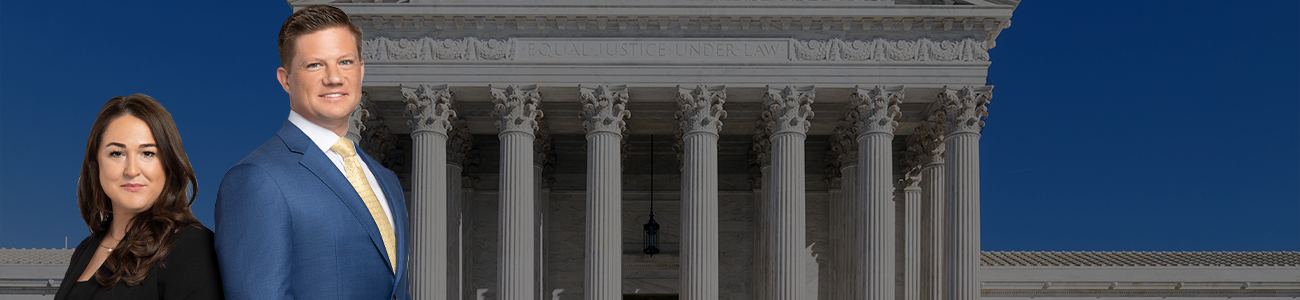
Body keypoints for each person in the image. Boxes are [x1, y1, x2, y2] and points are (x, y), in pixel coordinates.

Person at [213, 4, 410, 299]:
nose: (334, 78)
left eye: (345, 62)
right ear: (286, 79)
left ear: (361, 70)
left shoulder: (385, 180)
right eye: (315, 65)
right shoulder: (257, 179)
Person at [55, 94, 224, 300]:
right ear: (96, 163)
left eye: (148, 153)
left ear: (168, 163)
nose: (132, 170)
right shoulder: (86, 249)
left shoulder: (190, 246)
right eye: (117, 153)